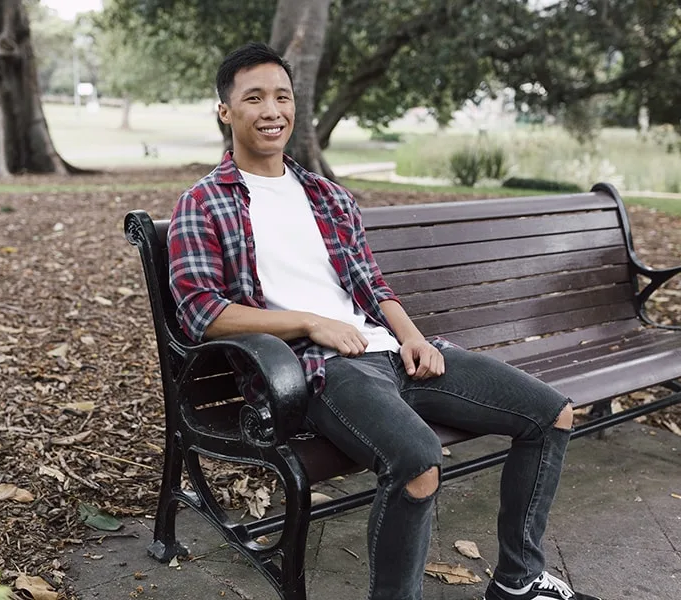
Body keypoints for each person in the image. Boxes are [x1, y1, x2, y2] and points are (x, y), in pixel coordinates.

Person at [167, 41, 600, 600]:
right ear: (226, 112)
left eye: (282, 96)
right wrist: (309, 323)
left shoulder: (326, 195)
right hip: (319, 370)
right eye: (254, 98)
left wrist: (414, 338)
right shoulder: (202, 203)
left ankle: (519, 582)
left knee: (551, 414)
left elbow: (371, 284)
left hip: (391, 353)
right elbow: (203, 313)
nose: (272, 110)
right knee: (419, 462)